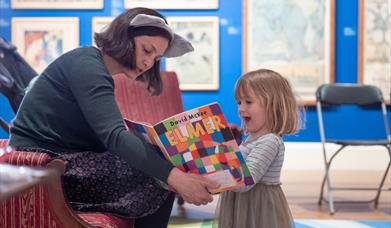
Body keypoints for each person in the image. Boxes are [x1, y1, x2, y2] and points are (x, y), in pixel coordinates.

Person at [8, 7, 218, 228]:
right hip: (41, 165)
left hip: (58, 159)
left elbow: (109, 133)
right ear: (124, 38)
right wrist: (175, 177)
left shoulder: (91, 65)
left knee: (156, 164)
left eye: (156, 58)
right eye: (147, 50)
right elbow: (114, 136)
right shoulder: (87, 64)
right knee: (158, 179)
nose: (149, 63)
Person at [215, 69, 303, 228]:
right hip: (241, 204)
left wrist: (223, 153)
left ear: (273, 106)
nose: (241, 109)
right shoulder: (250, 138)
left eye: (248, 102)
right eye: (239, 102)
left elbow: (245, 182)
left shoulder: (270, 141)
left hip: (257, 208)